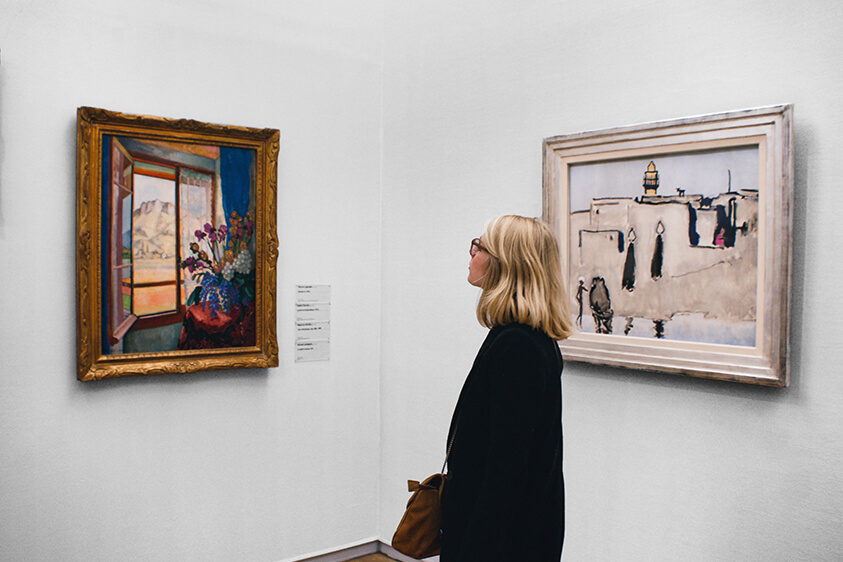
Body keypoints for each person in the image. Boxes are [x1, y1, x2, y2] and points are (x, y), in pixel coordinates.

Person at [441, 215, 572, 562]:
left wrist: (473, 551)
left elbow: (506, 472)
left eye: (479, 246)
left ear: (505, 265)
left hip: (502, 543)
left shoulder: (519, 347)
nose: (471, 253)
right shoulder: (518, 338)